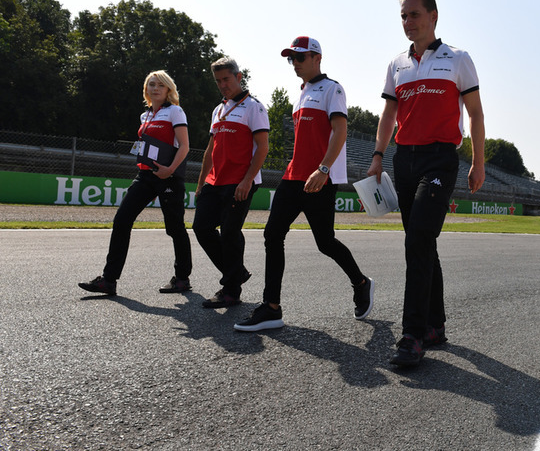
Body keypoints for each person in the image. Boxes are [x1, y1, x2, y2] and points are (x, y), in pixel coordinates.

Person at [367, 0, 485, 367]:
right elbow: (388, 115)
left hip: (440, 158)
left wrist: (478, 161)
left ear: (434, 16)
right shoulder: (396, 64)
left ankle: (412, 336)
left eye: (414, 14)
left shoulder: (458, 59)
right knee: (421, 242)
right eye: (403, 15)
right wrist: (378, 155)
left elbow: (476, 114)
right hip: (405, 160)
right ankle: (435, 325)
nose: (408, 22)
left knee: (418, 239)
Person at [234, 37, 374, 331]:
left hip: (320, 179)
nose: (295, 63)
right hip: (293, 176)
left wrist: (323, 169)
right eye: (291, 59)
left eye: (300, 58)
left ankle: (361, 283)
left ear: (316, 58)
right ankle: (271, 307)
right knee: (272, 235)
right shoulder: (301, 93)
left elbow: (340, 130)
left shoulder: (332, 89)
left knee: (325, 243)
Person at [79, 70, 192, 295]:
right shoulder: (145, 116)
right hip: (146, 176)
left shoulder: (175, 111)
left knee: (175, 228)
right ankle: (109, 280)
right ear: (146, 89)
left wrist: (169, 170)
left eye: (160, 84)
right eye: (151, 84)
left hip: (169, 176)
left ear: (168, 89)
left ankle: (182, 278)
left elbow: (185, 146)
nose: (155, 88)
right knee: (122, 220)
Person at [193, 57, 270, 308]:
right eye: (218, 81)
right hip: (215, 181)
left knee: (229, 231)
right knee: (201, 227)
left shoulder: (254, 107)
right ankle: (236, 272)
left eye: (226, 79)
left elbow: (262, 147)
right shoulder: (218, 109)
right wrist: (201, 181)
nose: (222, 85)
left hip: (240, 181)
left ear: (238, 77)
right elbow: (209, 150)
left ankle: (231, 290)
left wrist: (248, 180)